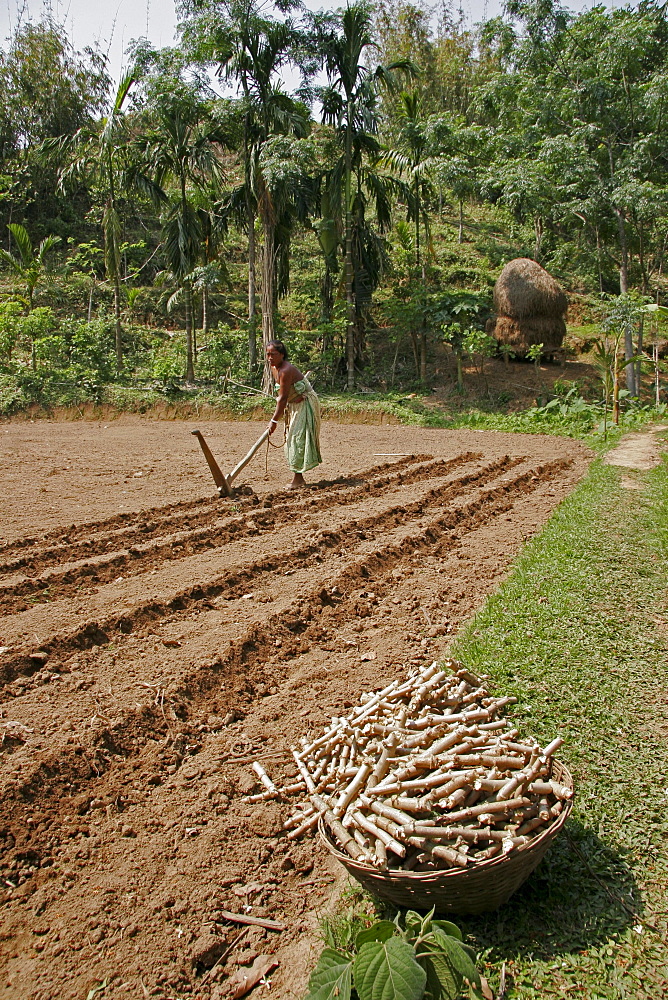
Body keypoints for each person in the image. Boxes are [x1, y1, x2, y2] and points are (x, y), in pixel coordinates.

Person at [265, 340, 322, 489]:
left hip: (305, 404)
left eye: (274, 354)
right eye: (268, 354)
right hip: (294, 404)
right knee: (292, 438)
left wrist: (274, 421)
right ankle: (298, 477)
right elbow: (282, 396)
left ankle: (298, 479)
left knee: (296, 438)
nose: (270, 357)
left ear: (282, 355)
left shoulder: (286, 370)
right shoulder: (274, 368)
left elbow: (282, 398)